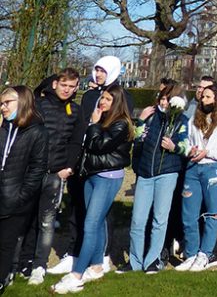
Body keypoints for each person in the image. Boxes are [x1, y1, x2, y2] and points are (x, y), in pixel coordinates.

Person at [52, 85, 132, 295]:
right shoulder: (102, 120)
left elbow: (99, 145)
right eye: (102, 98)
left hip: (107, 178)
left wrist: (94, 125)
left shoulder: (121, 124)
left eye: (107, 99)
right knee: (92, 223)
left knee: (90, 224)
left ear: (116, 103)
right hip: (91, 175)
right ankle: (96, 266)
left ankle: (76, 275)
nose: (102, 102)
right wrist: (93, 124)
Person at [20, 69, 84, 285]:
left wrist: (69, 167)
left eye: (71, 86)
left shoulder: (75, 110)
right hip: (31, 172)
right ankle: (22, 262)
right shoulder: (38, 104)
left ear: (76, 88)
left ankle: (39, 265)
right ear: (55, 84)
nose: (67, 90)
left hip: (55, 173)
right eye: (63, 85)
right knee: (25, 218)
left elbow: (76, 142)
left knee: (47, 222)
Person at [126, 83, 190, 273]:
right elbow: (136, 138)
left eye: (167, 99)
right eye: (162, 98)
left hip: (167, 173)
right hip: (146, 172)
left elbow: (185, 147)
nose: (164, 102)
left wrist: (173, 147)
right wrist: (141, 120)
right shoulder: (152, 117)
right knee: (138, 220)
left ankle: (153, 259)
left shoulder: (181, 120)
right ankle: (135, 260)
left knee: (159, 219)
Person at [175, 84, 217, 272]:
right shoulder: (195, 118)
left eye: (208, 97)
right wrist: (190, 150)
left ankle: (205, 253)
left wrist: (209, 152)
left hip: (213, 168)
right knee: (189, 214)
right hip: (193, 168)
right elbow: (186, 141)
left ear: (216, 99)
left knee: (212, 212)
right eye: (203, 97)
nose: (204, 100)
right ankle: (191, 252)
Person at [0, 86, 48, 293]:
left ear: (22, 103)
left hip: (15, 199)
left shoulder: (37, 131)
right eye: (1, 103)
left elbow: (37, 169)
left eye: (6, 103)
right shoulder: (4, 128)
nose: (2, 107)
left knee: (5, 244)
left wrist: (21, 197)